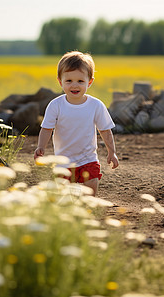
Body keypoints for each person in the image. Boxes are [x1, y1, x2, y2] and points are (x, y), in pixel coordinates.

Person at [34, 51, 119, 196]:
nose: (75, 85)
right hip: (63, 161)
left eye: (80, 81)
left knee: (91, 184)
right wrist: (41, 146)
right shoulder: (56, 105)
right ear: (60, 82)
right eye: (69, 81)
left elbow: (105, 130)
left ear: (89, 82)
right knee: (64, 194)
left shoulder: (96, 105)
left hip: (88, 158)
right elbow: (46, 128)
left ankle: (89, 209)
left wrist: (112, 152)